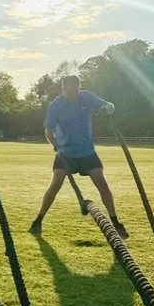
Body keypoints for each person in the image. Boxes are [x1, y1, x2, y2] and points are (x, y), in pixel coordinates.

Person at [28, 74, 128, 239]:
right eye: (68, 91)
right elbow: (48, 130)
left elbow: (106, 105)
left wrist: (109, 107)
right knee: (55, 184)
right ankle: (38, 221)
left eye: (75, 90)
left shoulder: (87, 97)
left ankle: (116, 222)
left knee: (102, 184)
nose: (72, 94)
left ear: (79, 88)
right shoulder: (55, 105)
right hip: (65, 153)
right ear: (62, 89)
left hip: (87, 152)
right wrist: (55, 146)